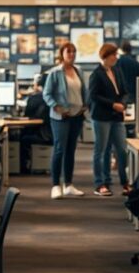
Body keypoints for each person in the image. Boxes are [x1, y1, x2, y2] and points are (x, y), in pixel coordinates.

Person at [43, 43, 88, 199]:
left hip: (77, 116)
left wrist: (85, 105)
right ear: (62, 53)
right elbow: (47, 94)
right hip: (61, 117)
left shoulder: (78, 71)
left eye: (74, 52)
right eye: (68, 51)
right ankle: (56, 185)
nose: (72, 54)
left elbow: (83, 91)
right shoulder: (55, 73)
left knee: (71, 150)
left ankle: (68, 184)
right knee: (59, 149)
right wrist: (57, 107)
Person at [88, 43, 130, 197]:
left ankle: (125, 183)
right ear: (105, 56)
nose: (116, 57)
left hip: (117, 117)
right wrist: (113, 105)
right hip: (102, 117)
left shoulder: (117, 70)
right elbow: (93, 96)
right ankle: (101, 184)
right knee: (101, 151)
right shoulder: (96, 74)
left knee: (121, 150)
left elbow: (125, 91)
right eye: (113, 55)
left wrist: (123, 104)